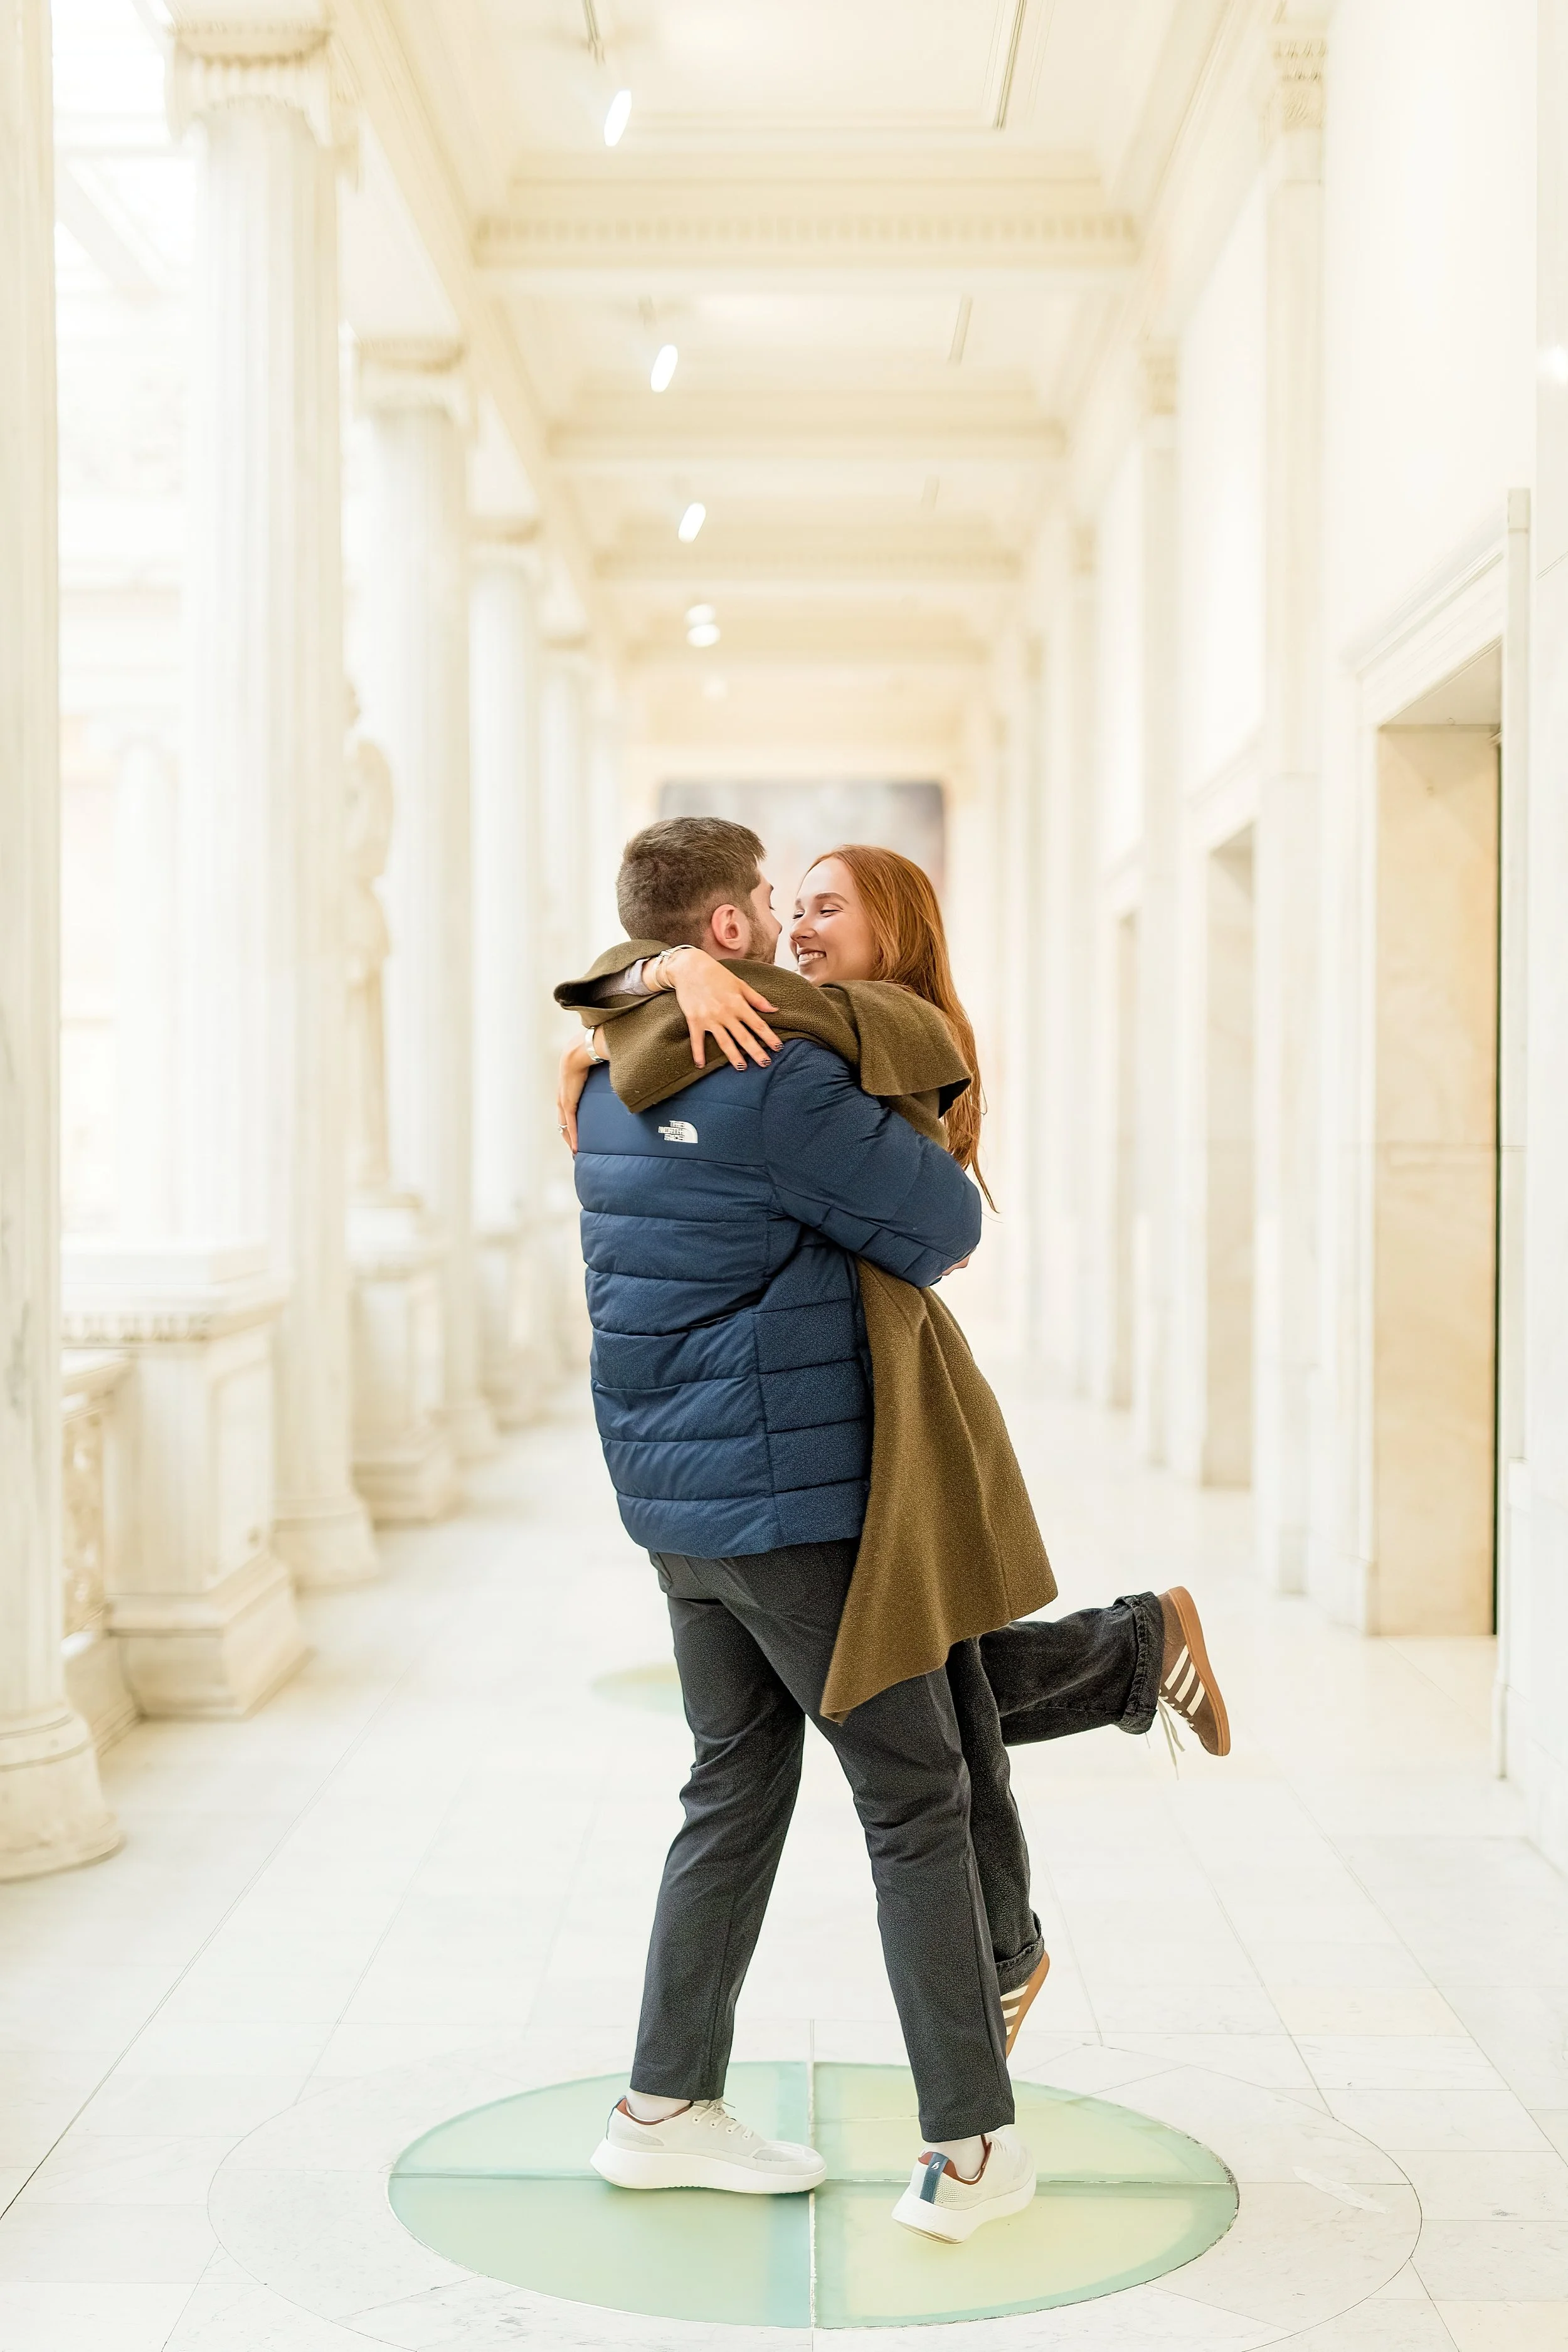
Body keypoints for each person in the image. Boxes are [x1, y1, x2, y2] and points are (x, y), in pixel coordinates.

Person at [558, 838, 1231, 2061]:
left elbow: (933, 1225)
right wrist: (665, 968)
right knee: (935, 1687)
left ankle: (999, 1965)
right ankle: (1132, 1657)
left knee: (928, 1718)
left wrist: (675, 979)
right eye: (786, 906)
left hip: (885, 1398)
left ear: (892, 934)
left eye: (825, 910)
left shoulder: (861, 1035)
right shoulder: (802, 1027)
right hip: (838, 1397)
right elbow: (626, 997)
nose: (798, 927)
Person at [562, 817, 1036, 2244]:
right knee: (913, 1798)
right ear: (723, 934)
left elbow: (601, 994)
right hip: (788, 1499)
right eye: (769, 901)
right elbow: (941, 1222)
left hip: (673, 1498)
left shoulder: (600, 1070)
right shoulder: (776, 1080)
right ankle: (969, 2148)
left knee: (732, 1782)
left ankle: (661, 2109)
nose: (782, 919)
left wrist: (645, 965)